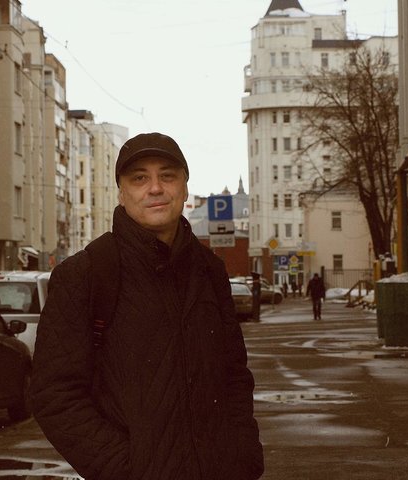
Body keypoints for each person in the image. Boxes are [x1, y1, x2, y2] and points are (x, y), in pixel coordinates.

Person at [30, 132, 264, 479]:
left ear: (184, 187)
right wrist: (126, 469)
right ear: (122, 192)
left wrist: (242, 455)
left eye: (167, 176)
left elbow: (234, 374)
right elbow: (55, 395)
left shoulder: (208, 270)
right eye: (139, 178)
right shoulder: (85, 274)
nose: (155, 188)